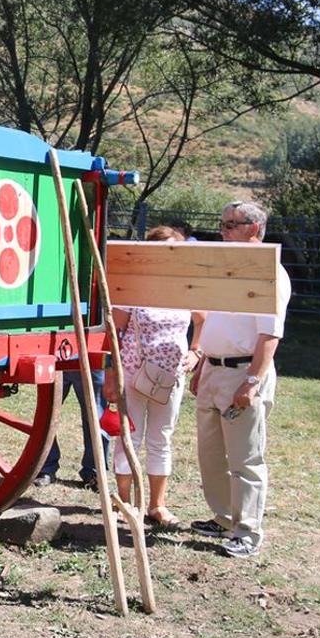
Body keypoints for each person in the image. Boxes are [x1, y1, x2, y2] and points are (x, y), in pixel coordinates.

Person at [190, 200, 291, 558]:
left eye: (231, 224)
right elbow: (213, 322)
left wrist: (252, 382)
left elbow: (270, 335)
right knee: (211, 453)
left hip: (242, 373)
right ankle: (223, 517)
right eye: (222, 224)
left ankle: (247, 530)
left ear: (254, 229)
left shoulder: (270, 274)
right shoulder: (226, 269)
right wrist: (202, 363)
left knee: (245, 457)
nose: (223, 230)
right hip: (214, 370)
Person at [104, 226, 203, 528]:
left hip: (170, 376)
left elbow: (202, 319)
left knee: (162, 438)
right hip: (133, 373)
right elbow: (114, 330)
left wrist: (197, 352)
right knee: (129, 437)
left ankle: (157, 506)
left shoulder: (186, 287)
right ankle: (126, 503)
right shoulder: (133, 287)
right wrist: (111, 372)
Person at [35, 369, 110, 490]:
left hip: (91, 362)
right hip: (56, 357)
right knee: (46, 415)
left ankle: (94, 473)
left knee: (95, 419)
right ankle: (46, 468)